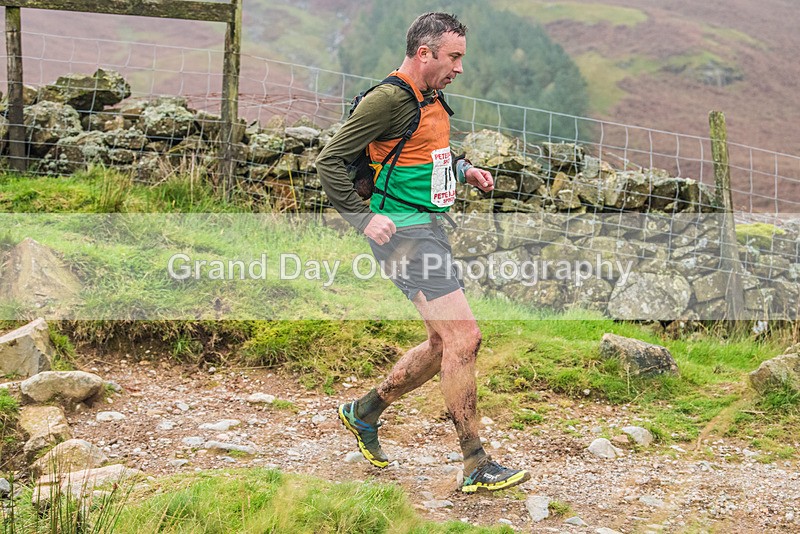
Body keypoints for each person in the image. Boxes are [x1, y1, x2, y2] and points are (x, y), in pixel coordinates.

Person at [316, 12, 530, 493]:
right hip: (404, 237)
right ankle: (475, 461)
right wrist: (364, 217)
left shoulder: (427, 96)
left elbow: (419, 153)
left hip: (427, 229)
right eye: (453, 57)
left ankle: (364, 412)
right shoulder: (387, 99)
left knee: (440, 345)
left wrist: (463, 169)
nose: (459, 68)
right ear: (424, 53)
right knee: (465, 338)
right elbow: (329, 160)